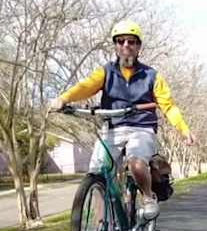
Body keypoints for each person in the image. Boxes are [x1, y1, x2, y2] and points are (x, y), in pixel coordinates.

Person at [49, 19, 196, 220]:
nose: (126, 46)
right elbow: (85, 86)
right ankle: (101, 225)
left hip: (141, 129)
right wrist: (64, 98)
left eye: (131, 42)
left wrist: (184, 130)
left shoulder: (152, 76)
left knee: (136, 163)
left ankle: (147, 197)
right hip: (111, 128)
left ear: (138, 47)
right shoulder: (106, 72)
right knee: (97, 173)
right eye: (120, 41)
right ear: (115, 46)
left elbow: (168, 106)